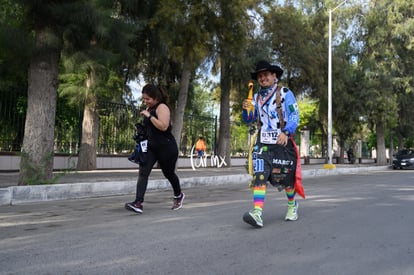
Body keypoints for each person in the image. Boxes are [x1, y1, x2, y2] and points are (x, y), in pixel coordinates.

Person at [241, 60, 304, 228]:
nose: (262, 78)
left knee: (285, 179)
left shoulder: (285, 93)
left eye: (266, 75)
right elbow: (249, 119)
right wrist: (246, 109)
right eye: (259, 76)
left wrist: (287, 132)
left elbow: (294, 116)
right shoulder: (255, 97)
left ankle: (292, 205)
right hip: (262, 143)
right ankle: (257, 213)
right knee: (259, 176)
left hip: (282, 142)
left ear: (273, 76)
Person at [125, 84, 185, 214]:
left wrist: (149, 116)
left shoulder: (162, 107)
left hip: (166, 148)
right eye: (144, 98)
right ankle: (138, 202)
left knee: (168, 173)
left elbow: (163, 126)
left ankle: (178, 195)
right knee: (143, 172)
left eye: (148, 99)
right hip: (152, 148)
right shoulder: (149, 108)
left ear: (156, 97)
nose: (145, 101)